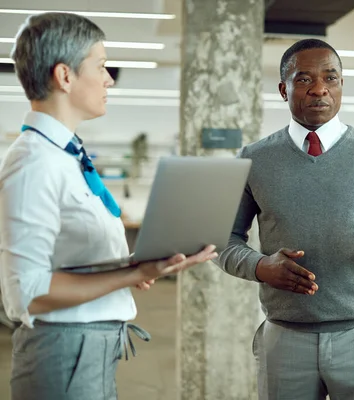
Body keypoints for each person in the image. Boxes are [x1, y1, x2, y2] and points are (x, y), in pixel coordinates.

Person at [0, 13, 218, 400]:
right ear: (64, 76)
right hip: (64, 353)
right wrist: (134, 274)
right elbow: (27, 292)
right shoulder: (34, 163)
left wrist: (141, 262)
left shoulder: (65, 156)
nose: (109, 79)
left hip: (89, 348)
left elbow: (69, 258)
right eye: (100, 67)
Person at [217, 38, 354, 399]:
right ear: (283, 89)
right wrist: (261, 267)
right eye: (304, 79)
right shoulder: (254, 159)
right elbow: (223, 240)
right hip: (285, 338)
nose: (319, 89)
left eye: (330, 78)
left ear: (341, 85)